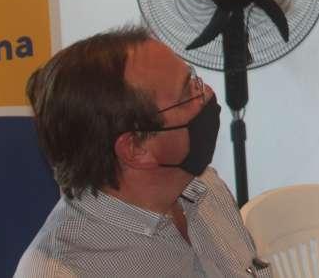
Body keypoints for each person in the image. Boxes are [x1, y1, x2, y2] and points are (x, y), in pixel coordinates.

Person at [15, 26, 267, 277]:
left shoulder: (203, 186)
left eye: (193, 78)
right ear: (135, 148)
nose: (207, 93)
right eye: (187, 94)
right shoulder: (61, 272)